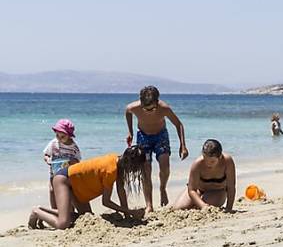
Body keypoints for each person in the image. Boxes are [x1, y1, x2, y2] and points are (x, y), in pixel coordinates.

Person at [28, 146, 146, 230]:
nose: (134, 171)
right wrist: (130, 212)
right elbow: (106, 202)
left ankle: (42, 210)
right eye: (135, 168)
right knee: (63, 224)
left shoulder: (117, 161)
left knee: (83, 217)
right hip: (63, 179)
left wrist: (128, 216)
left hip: (76, 185)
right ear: (129, 163)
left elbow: (121, 191)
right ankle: (36, 212)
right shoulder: (110, 171)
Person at [125, 85, 188, 214]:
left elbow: (178, 124)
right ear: (141, 103)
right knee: (146, 169)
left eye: (152, 108)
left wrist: (183, 145)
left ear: (157, 103)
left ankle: (163, 188)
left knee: (165, 166)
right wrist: (130, 132)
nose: (149, 111)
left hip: (161, 136)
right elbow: (127, 112)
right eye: (146, 109)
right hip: (143, 137)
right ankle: (149, 205)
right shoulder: (134, 107)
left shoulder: (164, 108)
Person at [172, 139, 236, 212]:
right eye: (205, 160)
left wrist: (229, 208)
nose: (208, 164)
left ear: (220, 156)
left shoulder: (227, 162)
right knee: (177, 209)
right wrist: (203, 206)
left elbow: (231, 187)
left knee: (201, 206)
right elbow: (192, 190)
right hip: (198, 190)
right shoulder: (197, 164)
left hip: (218, 191)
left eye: (212, 161)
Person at [43, 119, 81, 209]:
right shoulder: (53, 143)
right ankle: (54, 210)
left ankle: (70, 210)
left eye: (62, 136)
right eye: (57, 135)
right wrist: (48, 159)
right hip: (54, 173)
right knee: (52, 191)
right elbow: (46, 154)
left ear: (69, 136)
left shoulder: (73, 147)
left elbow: (77, 162)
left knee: (68, 192)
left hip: (67, 176)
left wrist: (72, 162)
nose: (59, 138)